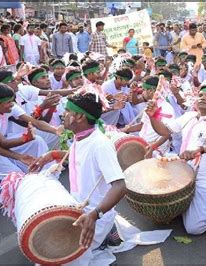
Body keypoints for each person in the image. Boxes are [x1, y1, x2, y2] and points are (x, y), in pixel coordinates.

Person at [29, 92, 126, 266]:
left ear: (80, 116)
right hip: (78, 209)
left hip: (92, 216)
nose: (63, 115)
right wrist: (52, 155)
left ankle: (103, 234)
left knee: (53, 258)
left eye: (67, 112)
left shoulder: (100, 144)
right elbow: (79, 157)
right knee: (45, 250)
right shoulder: (81, 136)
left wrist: (95, 215)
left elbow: (120, 185)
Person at [146, 85, 206, 235]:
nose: (202, 97)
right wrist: (153, 116)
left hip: (204, 179)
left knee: (194, 229)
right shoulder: (189, 117)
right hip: (182, 173)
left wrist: (202, 150)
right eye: (200, 95)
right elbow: (163, 130)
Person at [122, 76, 175, 155]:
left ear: (151, 91)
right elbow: (142, 125)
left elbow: (168, 133)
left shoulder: (166, 108)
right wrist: (125, 130)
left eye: (144, 90)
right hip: (143, 145)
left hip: (156, 151)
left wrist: (153, 146)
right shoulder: (150, 105)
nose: (142, 93)